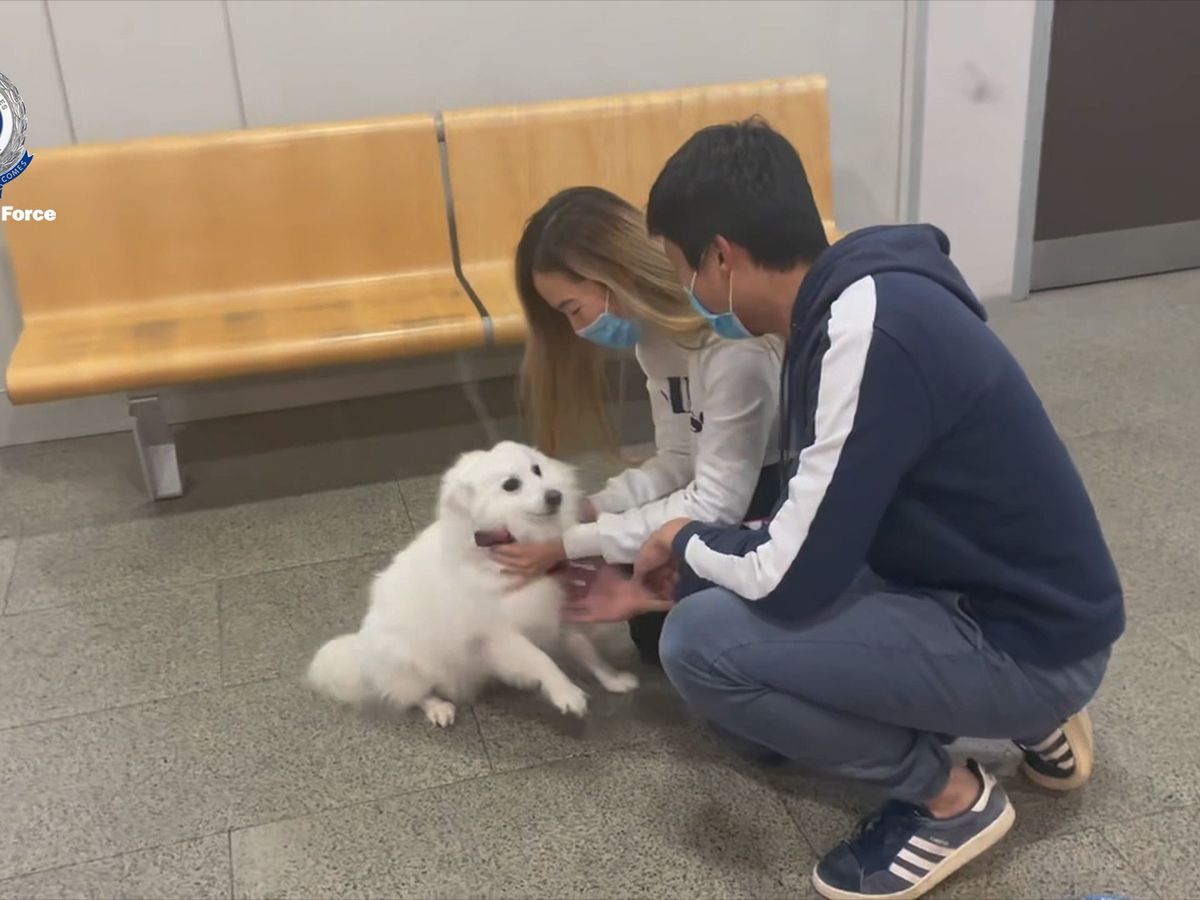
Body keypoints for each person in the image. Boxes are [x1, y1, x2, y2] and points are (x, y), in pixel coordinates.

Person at [563, 121, 1124, 900]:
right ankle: (1034, 718)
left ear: (721, 256)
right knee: (737, 707)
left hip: (1025, 638)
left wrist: (679, 540)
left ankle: (949, 800)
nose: (686, 293)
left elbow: (793, 576)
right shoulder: (850, 298)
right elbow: (812, 520)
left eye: (683, 268)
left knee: (697, 646)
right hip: (1011, 601)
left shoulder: (866, 330)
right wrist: (687, 561)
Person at [492, 186, 783, 664]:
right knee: (647, 619)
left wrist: (570, 543)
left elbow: (716, 502)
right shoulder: (657, 340)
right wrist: (591, 509)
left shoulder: (732, 346)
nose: (577, 329)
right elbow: (676, 459)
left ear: (614, 275)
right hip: (730, 493)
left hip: (774, 499)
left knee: (668, 626)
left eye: (572, 308)